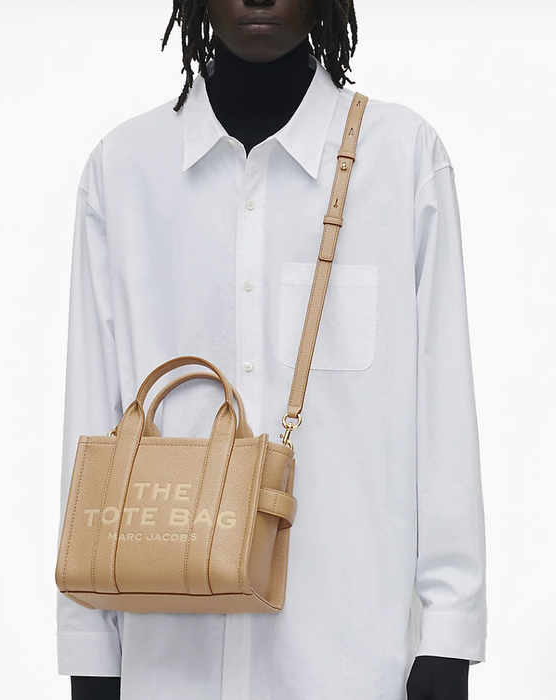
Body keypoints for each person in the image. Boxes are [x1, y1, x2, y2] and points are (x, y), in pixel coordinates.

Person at [57, 1, 488, 699]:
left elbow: (443, 412)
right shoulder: (125, 169)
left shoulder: (402, 158)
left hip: (346, 658)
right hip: (169, 661)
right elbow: (92, 412)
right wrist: (90, 650)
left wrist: (449, 635)